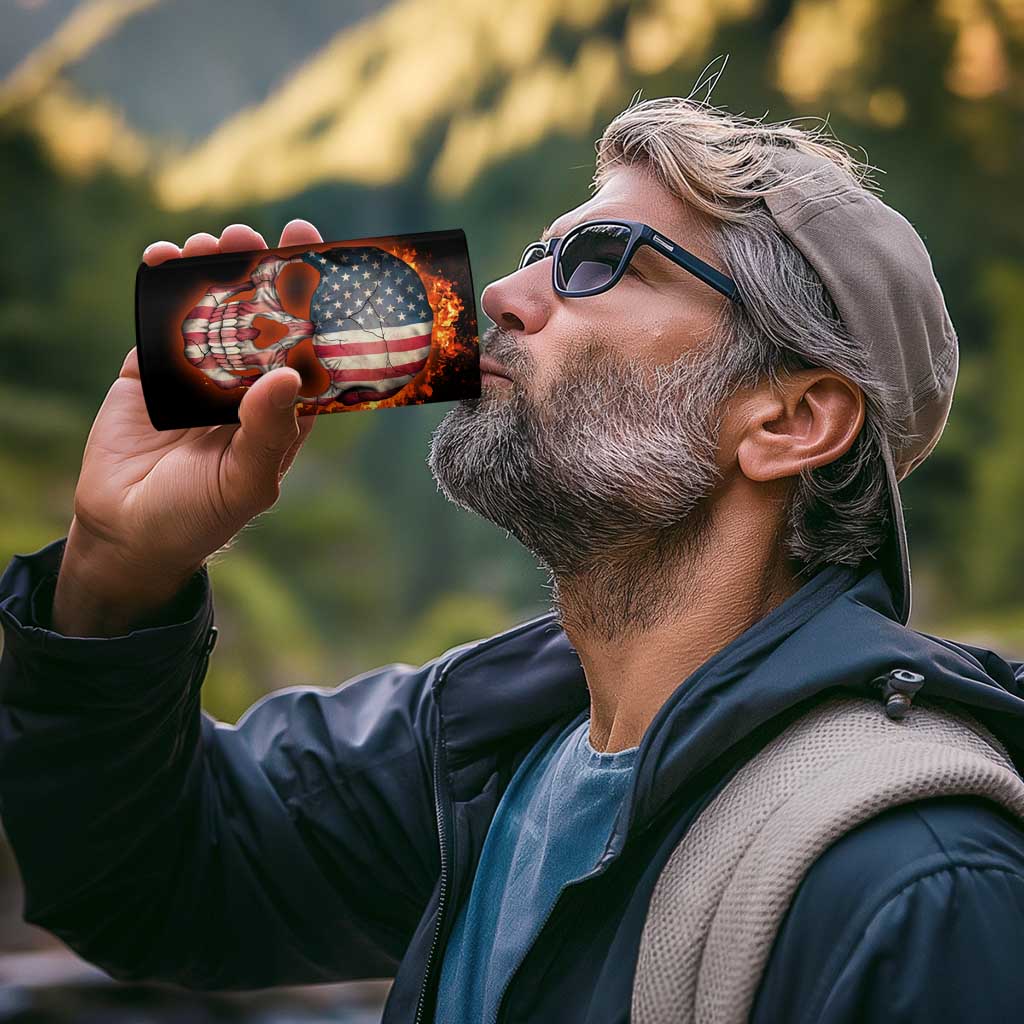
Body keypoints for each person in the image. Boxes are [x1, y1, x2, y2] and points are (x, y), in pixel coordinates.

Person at [2, 94, 1024, 1024]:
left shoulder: (918, 884)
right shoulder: (480, 748)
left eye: (599, 261)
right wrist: (116, 571)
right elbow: (149, 880)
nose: (501, 291)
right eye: (540, 251)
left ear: (791, 420)